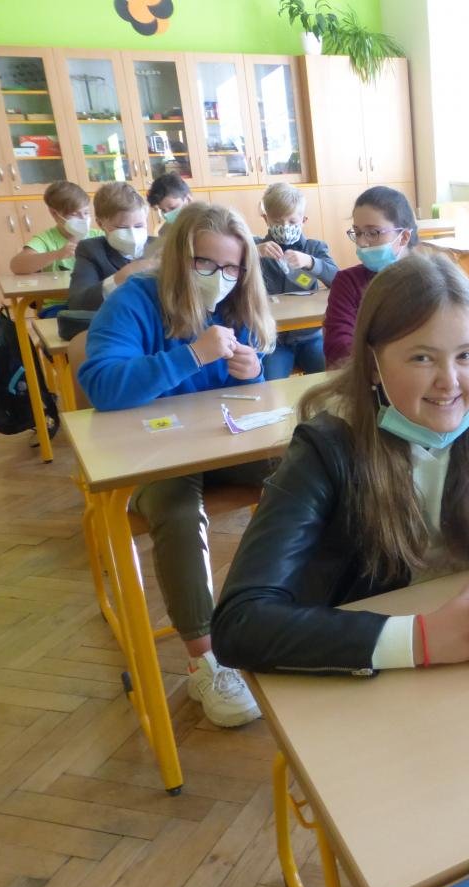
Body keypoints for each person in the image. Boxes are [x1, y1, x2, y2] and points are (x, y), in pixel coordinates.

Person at [211, 253, 469, 673]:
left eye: (466, 355)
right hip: (375, 667)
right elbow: (240, 622)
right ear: (373, 365)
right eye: (422, 358)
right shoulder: (328, 447)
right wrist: (421, 639)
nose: (450, 382)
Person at [78, 203, 277, 726]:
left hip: (217, 445)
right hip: (153, 452)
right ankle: (205, 659)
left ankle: (280, 606)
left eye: (231, 268)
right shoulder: (135, 301)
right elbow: (102, 386)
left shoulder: (236, 303)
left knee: (298, 474)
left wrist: (251, 372)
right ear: (177, 259)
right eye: (204, 263)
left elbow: (245, 397)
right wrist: (191, 355)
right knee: (178, 510)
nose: (219, 278)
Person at [323, 186, 469, 368]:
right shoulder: (348, 282)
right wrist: (399, 365)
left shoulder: (436, 276)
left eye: (373, 232)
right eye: (357, 233)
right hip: (378, 384)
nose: (362, 242)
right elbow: (338, 347)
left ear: (404, 237)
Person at [254, 183, 337, 379]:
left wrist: (311, 262)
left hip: (311, 336)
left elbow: (338, 280)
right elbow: (233, 271)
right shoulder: (255, 247)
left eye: (292, 221)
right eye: (277, 221)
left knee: (334, 376)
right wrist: (254, 253)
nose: (285, 227)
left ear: (303, 220)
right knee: (271, 382)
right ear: (266, 219)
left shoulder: (314, 248)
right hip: (274, 340)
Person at [9, 181, 103, 317]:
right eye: (74, 214)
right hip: (59, 305)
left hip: (92, 302)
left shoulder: (99, 236)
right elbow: (17, 266)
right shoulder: (46, 239)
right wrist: (57, 254)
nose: (83, 219)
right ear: (54, 213)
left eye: (86, 212)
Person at [67, 182, 157, 312]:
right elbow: (77, 304)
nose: (133, 233)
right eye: (122, 227)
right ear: (100, 223)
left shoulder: (162, 247)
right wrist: (120, 277)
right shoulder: (91, 250)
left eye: (139, 226)